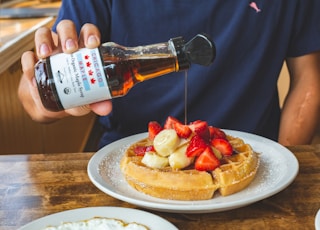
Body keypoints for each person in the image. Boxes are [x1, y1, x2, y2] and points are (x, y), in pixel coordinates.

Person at [18, 0, 320, 149]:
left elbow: (309, 78)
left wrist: (284, 163)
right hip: (127, 161)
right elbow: (32, 103)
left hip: (255, 154)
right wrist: (44, 94)